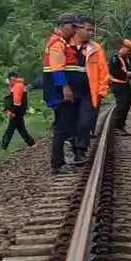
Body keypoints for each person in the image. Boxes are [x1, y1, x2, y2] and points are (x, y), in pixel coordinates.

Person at [44, 13, 87, 175]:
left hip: (61, 93)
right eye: (73, 27)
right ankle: (57, 164)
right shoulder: (57, 43)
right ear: (64, 25)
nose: (75, 30)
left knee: (64, 127)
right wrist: (65, 88)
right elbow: (57, 68)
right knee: (62, 129)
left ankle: (60, 161)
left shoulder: (63, 42)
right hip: (59, 94)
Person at [77, 18, 109, 153]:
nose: (90, 33)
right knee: (71, 122)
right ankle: (72, 148)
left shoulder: (96, 48)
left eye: (92, 30)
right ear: (78, 29)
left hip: (90, 91)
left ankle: (81, 150)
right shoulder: (67, 46)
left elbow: (103, 71)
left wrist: (101, 91)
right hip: (71, 91)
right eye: (87, 29)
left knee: (86, 122)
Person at [108, 39, 131, 136]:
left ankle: (121, 126)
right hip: (118, 84)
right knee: (122, 105)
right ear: (122, 48)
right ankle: (117, 127)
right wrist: (126, 74)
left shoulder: (125, 59)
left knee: (127, 103)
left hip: (125, 84)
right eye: (128, 51)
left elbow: (127, 69)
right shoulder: (115, 58)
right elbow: (113, 71)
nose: (129, 53)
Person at [2, 71, 36, 150]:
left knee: (10, 130)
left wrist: (12, 112)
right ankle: (32, 144)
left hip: (16, 112)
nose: (11, 80)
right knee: (21, 130)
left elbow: (17, 102)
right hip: (18, 112)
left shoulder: (18, 86)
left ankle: (3, 148)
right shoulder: (17, 85)